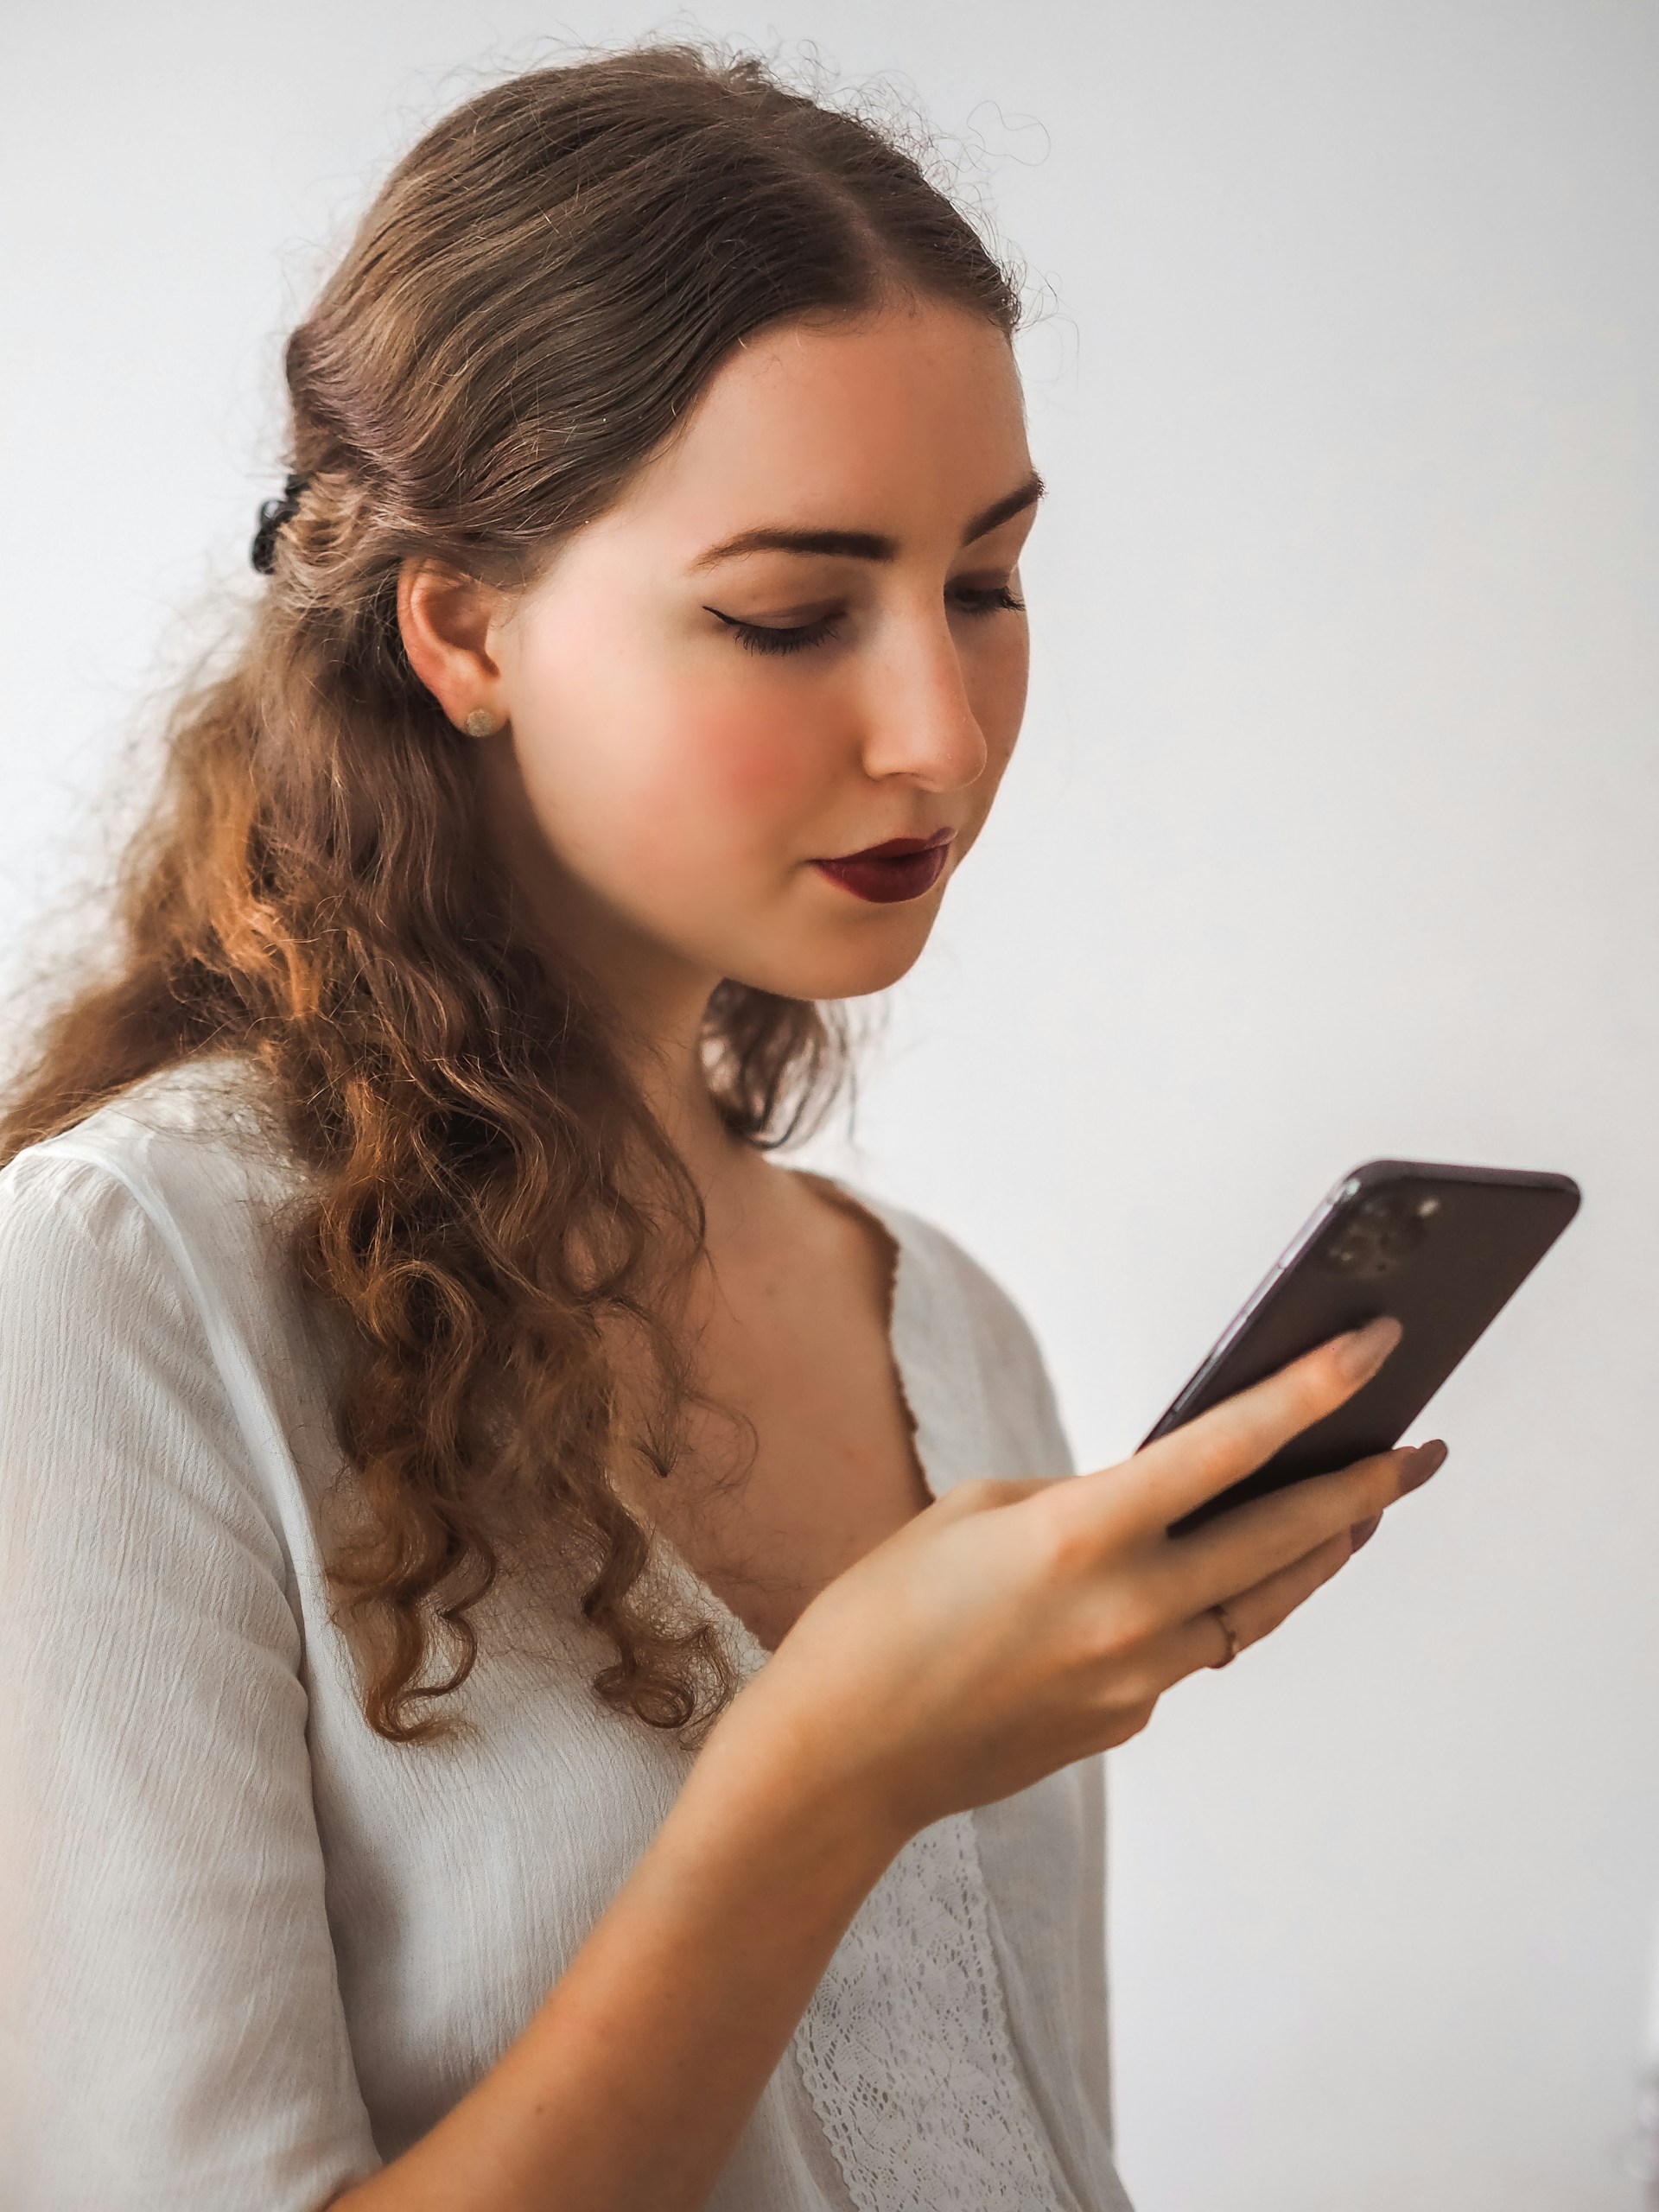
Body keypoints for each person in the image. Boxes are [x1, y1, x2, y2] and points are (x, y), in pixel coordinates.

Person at [0, 43, 1444, 2212]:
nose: (940, 735)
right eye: (789, 612)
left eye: (987, 583)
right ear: (465, 627)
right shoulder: (128, 1290)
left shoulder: (947, 1331)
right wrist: (819, 1779)